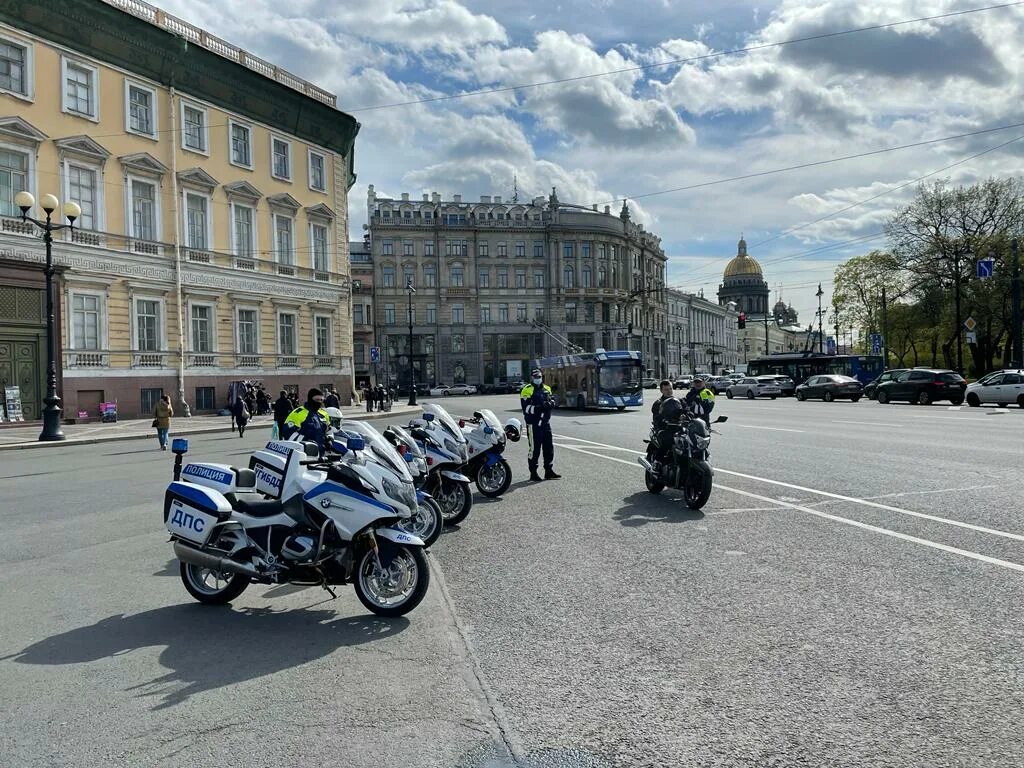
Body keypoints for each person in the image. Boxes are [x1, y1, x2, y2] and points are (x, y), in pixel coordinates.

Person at [520, 368, 560, 482]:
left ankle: (549, 471)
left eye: (540, 377)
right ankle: (533, 472)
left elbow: (552, 400)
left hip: (545, 423)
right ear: (532, 378)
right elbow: (526, 408)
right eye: (536, 377)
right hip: (533, 424)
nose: (538, 379)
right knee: (534, 449)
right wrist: (540, 408)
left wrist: (551, 403)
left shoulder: (547, 388)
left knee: (549, 448)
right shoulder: (526, 390)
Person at [282, 388, 331, 452]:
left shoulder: (324, 413)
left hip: (322, 453)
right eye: (317, 399)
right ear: (310, 399)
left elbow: (329, 430)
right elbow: (288, 433)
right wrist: (306, 443)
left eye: (321, 400)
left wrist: (329, 440)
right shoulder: (298, 413)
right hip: (304, 454)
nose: (319, 402)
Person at [651, 379, 683, 466]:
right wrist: (663, 421)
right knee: (668, 440)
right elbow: (657, 418)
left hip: (678, 428)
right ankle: (657, 462)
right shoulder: (658, 403)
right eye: (666, 389)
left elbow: (687, 411)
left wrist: (691, 416)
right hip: (664, 429)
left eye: (670, 389)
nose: (669, 391)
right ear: (661, 390)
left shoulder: (679, 401)